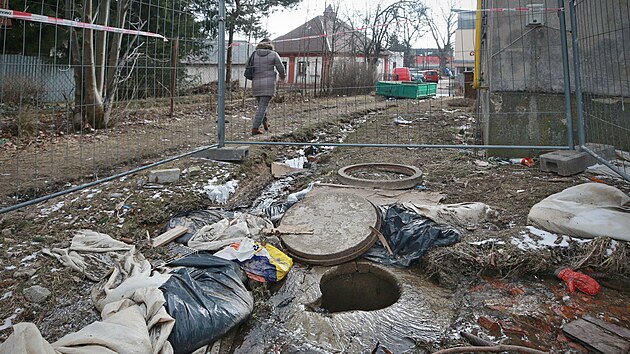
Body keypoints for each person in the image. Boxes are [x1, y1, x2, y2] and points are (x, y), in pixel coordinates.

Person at [250, 38, 286, 135]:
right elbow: (281, 68)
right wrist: (283, 76)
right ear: (270, 44)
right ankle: (255, 128)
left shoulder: (254, 54)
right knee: (262, 106)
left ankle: (265, 123)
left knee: (262, 105)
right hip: (268, 84)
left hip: (256, 84)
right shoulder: (273, 54)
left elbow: (247, 66)